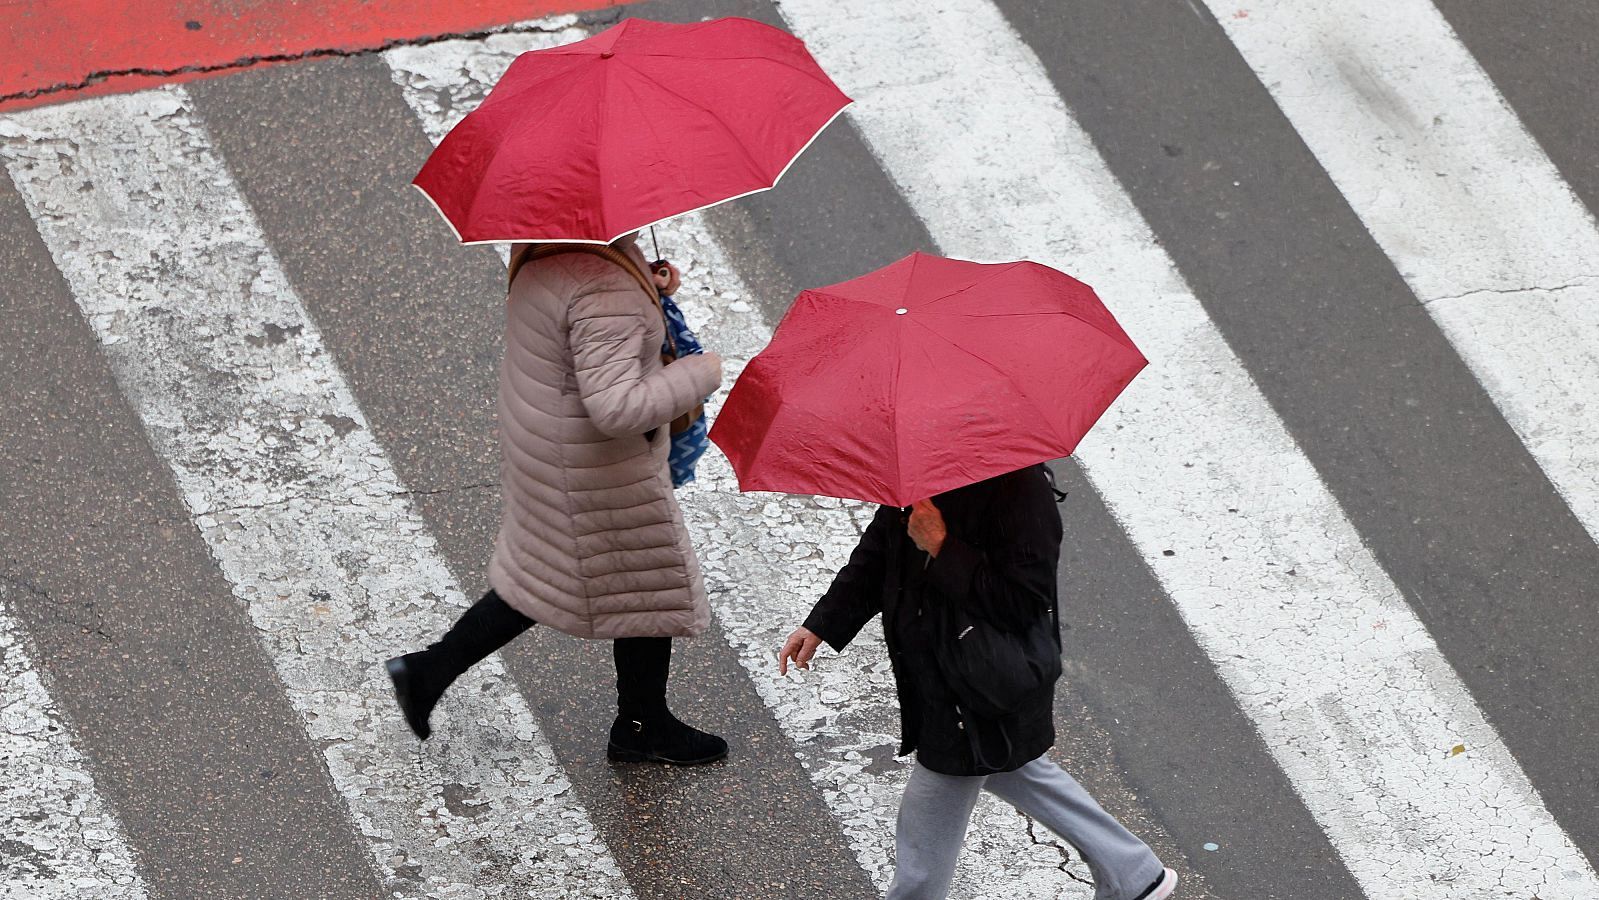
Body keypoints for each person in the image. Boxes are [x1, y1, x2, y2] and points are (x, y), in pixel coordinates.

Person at [386, 231, 728, 765]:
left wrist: (646, 286)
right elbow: (616, 407)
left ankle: (430, 673)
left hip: (554, 445)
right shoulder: (601, 287)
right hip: (598, 466)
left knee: (582, 578)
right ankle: (642, 725)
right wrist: (697, 373)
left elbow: (585, 328)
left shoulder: (547, 247)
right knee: (635, 585)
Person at [779, 464, 1177, 899]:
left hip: (974, 690)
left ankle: (1134, 872)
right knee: (1011, 767)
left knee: (923, 842)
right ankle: (1134, 871)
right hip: (945, 680)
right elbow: (880, 550)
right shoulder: (921, 468)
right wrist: (822, 623)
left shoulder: (1021, 489)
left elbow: (1024, 603)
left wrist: (941, 546)